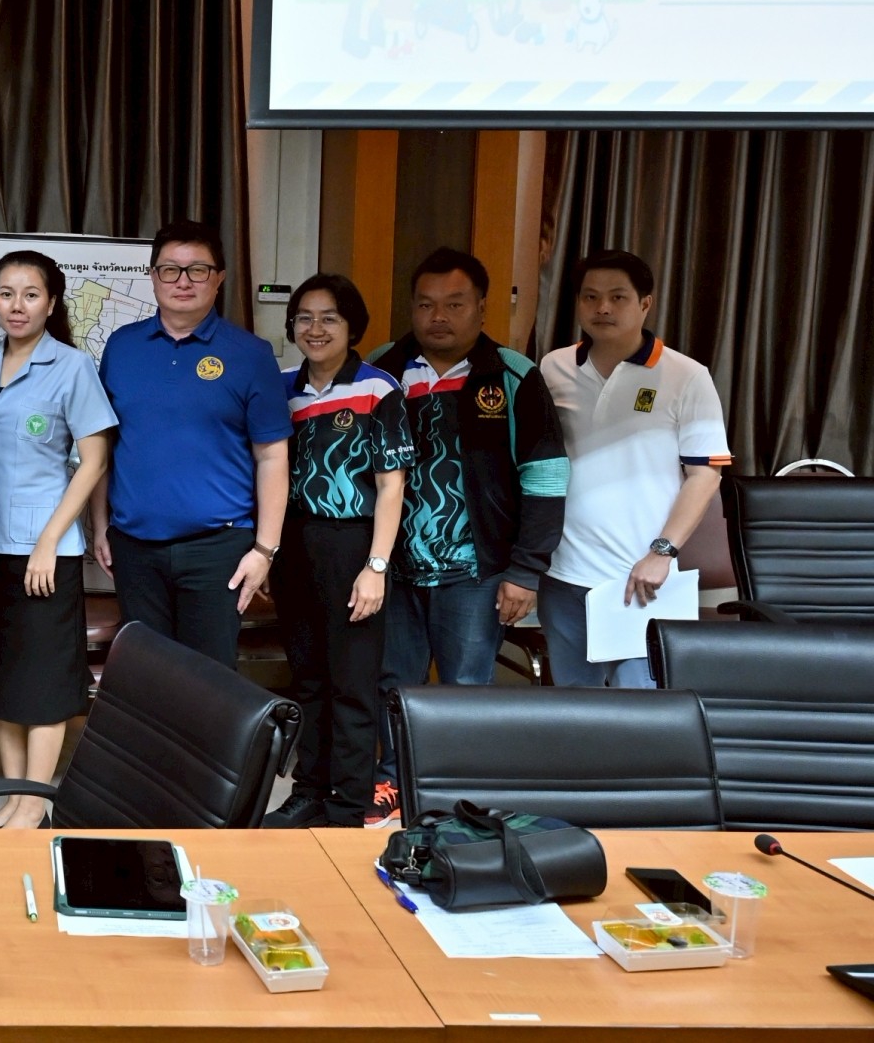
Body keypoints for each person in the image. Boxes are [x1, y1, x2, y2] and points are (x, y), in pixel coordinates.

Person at [369, 247, 568, 827]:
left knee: (465, 689)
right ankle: (392, 781)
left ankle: (453, 793)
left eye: (454, 304)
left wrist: (525, 570)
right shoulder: (382, 370)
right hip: (392, 567)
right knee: (392, 682)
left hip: (476, 570)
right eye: (425, 304)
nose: (438, 317)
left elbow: (546, 475)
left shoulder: (512, 375)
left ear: (481, 307)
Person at [0, 251, 115, 831]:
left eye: (30, 294)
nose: (17, 305)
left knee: (44, 683)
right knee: (0, 677)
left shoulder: (72, 366)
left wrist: (49, 541)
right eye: (6, 294)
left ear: (51, 303)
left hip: (46, 549)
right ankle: (11, 798)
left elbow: (94, 459)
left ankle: (36, 804)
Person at [90, 220, 290, 669]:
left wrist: (265, 550)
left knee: (210, 681)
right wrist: (100, 525)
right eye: (170, 270)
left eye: (198, 270)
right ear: (152, 276)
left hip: (218, 550)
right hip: (134, 548)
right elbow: (104, 444)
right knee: (146, 675)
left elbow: (273, 455)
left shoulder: (251, 354)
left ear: (219, 278)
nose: (183, 281)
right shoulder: (121, 347)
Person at [539, 250, 730, 688]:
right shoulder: (553, 367)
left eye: (617, 297)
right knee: (573, 707)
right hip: (562, 573)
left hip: (641, 577)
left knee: (641, 706)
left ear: (645, 304)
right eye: (590, 297)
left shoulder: (687, 376)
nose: (602, 308)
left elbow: (705, 475)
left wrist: (663, 552)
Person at [263, 274, 410, 830]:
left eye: (330, 318)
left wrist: (376, 567)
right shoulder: (282, 388)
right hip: (294, 543)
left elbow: (392, 486)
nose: (315, 328)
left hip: (354, 545)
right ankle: (308, 791)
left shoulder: (378, 388)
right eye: (304, 317)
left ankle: (347, 805)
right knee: (307, 679)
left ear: (352, 327)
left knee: (352, 684)